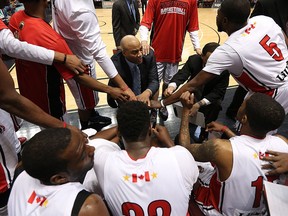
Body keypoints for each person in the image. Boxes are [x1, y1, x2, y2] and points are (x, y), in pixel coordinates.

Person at [151, 0, 288, 116]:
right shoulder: (264, 20)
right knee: (241, 119)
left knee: (254, 135)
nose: (216, 16)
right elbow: (284, 39)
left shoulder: (228, 50)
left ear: (224, 20)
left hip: (274, 90)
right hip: (280, 77)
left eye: (218, 14)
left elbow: (193, 84)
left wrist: (161, 103)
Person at [9, 0, 129, 127]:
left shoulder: (16, 18)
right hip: (50, 101)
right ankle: (86, 126)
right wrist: (112, 90)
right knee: (61, 134)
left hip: (29, 95)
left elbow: (7, 53)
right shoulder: (52, 39)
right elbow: (80, 76)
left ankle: (90, 117)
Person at [178, 92, 288, 215]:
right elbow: (251, 150)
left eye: (242, 104)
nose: (240, 105)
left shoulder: (220, 148)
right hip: (263, 211)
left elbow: (185, 149)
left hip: (219, 210)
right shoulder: (282, 142)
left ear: (244, 118)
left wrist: (185, 111)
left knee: (188, 162)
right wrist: (226, 130)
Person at [87, 101, 199, 215]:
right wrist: (169, 142)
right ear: (150, 129)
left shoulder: (104, 162)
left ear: (119, 133)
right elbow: (192, 183)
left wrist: (124, 125)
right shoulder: (180, 157)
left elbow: (89, 142)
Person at [52, 0, 136, 130]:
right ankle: (86, 127)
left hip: (74, 48)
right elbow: (99, 52)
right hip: (79, 61)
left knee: (90, 99)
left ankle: (91, 115)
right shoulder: (80, 11)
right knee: (84, 102)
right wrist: (124, 87)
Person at [8, 128, 110, 216]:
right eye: (82, 156)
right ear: (59, 178)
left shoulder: (21, 172)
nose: (92, 149)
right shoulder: (88, 206)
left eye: (85, 143)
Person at [226, 0, 288, 120]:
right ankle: (235, 111)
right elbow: (248, 27)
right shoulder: (266, 4)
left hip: (280, 52)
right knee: (254, 86)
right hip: (265, 51)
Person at [139, 0, 201, 121]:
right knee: (155, 82)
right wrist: (143, 40)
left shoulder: (191, 1)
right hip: (157, 50)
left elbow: (193, 27)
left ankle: (162, 104)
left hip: (175, 51)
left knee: (168, 83)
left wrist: (197, 46)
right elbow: (145, 22)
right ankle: (153, 108)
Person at [165, 42, 229, 142]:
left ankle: (204, 134)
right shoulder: (193, 60)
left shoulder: (224, 68)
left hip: (211, 100)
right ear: (202, 56)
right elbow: (182, 74)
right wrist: (171, 87)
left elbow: (218, 92)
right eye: (209, 59)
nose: (213, 62)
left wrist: (199, 104)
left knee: (209, 120)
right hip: (195, 94)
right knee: (190, 121)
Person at [108, 35, 159, 120]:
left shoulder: (149, 55)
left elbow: (154, 80)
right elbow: (115, 85)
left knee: (153, 89)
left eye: (140, 49)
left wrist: (147, 93)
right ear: (124, 53)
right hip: (127, 93)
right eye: (134, 52)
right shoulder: (115, 63)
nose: (140, 54)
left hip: (144, 87)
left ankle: (153, 111)